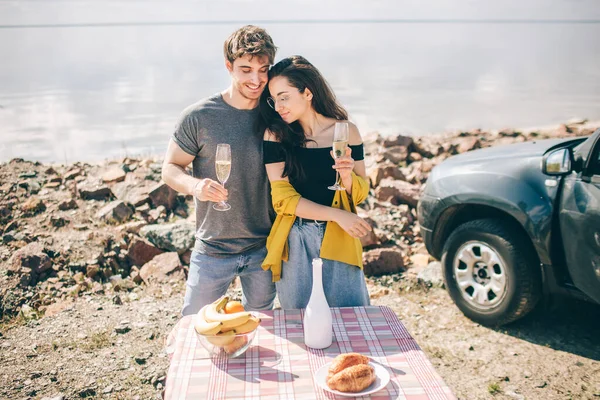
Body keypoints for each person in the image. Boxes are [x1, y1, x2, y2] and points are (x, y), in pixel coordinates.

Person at [161, 25, 278, 316]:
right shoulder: (199, 116)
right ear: (229, 67)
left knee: (265, 330)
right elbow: (171, 168)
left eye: (264, 70)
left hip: (264, 246)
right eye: (246, 69)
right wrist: (195, 186)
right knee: (193, 325)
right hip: (213, 248)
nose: (256, 79)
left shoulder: (277, 114)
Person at [259, 55, 373, 309]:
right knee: (299, 324)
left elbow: (361, 193)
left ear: (307, 93)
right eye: (274, 98)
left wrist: (346, 177)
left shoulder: (346, 132)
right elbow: (283, 200)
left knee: (351, 317)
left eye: (284, 97)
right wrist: (337, 215)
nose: (278, 106)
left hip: (341, 237)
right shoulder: (276, 135)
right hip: (295, 237)